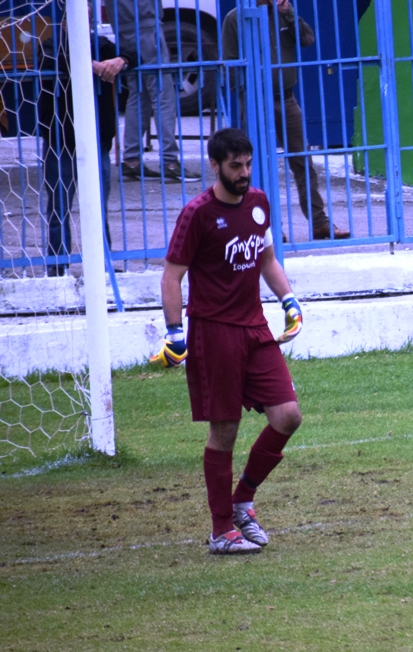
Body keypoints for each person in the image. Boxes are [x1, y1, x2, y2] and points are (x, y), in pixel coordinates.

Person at [152, 127, 305, 554]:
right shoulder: (198, 214)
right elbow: (171, 276)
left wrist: (289, 300)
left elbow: (267, 259)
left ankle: (243, 500)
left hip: (255, 329)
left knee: (288, 416)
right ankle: (221, 529)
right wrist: (175, 333)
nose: (244, 173)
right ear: (215, 165)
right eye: (235, 166)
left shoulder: (258, 203)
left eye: (248, 164)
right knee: (225, 431)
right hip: (214, 333)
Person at [222, 0, 349, 241]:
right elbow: (230, 63)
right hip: (256, 100)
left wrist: (288, 13)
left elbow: (307, 39)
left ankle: (319, 222)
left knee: (302, 160)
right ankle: (267, 226)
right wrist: (246, 96)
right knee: (259, 165)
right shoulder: (235, 18)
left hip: (286, 98)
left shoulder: (283, 13)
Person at [37, 20, 135, 276]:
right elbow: (53, 61)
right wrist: (88, 65)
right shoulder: (51, 45)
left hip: (96, 140)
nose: (84, 21)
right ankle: (57, 269)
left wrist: (121, 61)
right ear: (64, 23)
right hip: (60, 141)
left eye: (88, 18)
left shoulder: (100, 45)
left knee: (98, 208)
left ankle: (102, 266)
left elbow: (135, 53)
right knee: (59, 209)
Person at [105, 0, 198, 181]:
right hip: (146, 24)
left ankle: (131, 160)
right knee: (163, 94)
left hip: (122, 26)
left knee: (138, 94)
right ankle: (170, 162)